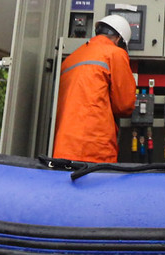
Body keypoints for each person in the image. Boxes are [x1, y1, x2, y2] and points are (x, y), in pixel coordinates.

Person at [52, 13, 136, 162]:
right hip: (94, 149)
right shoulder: (116, 53)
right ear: (119, 40)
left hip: (63, 147)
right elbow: (124, 105)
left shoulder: (70, 59)